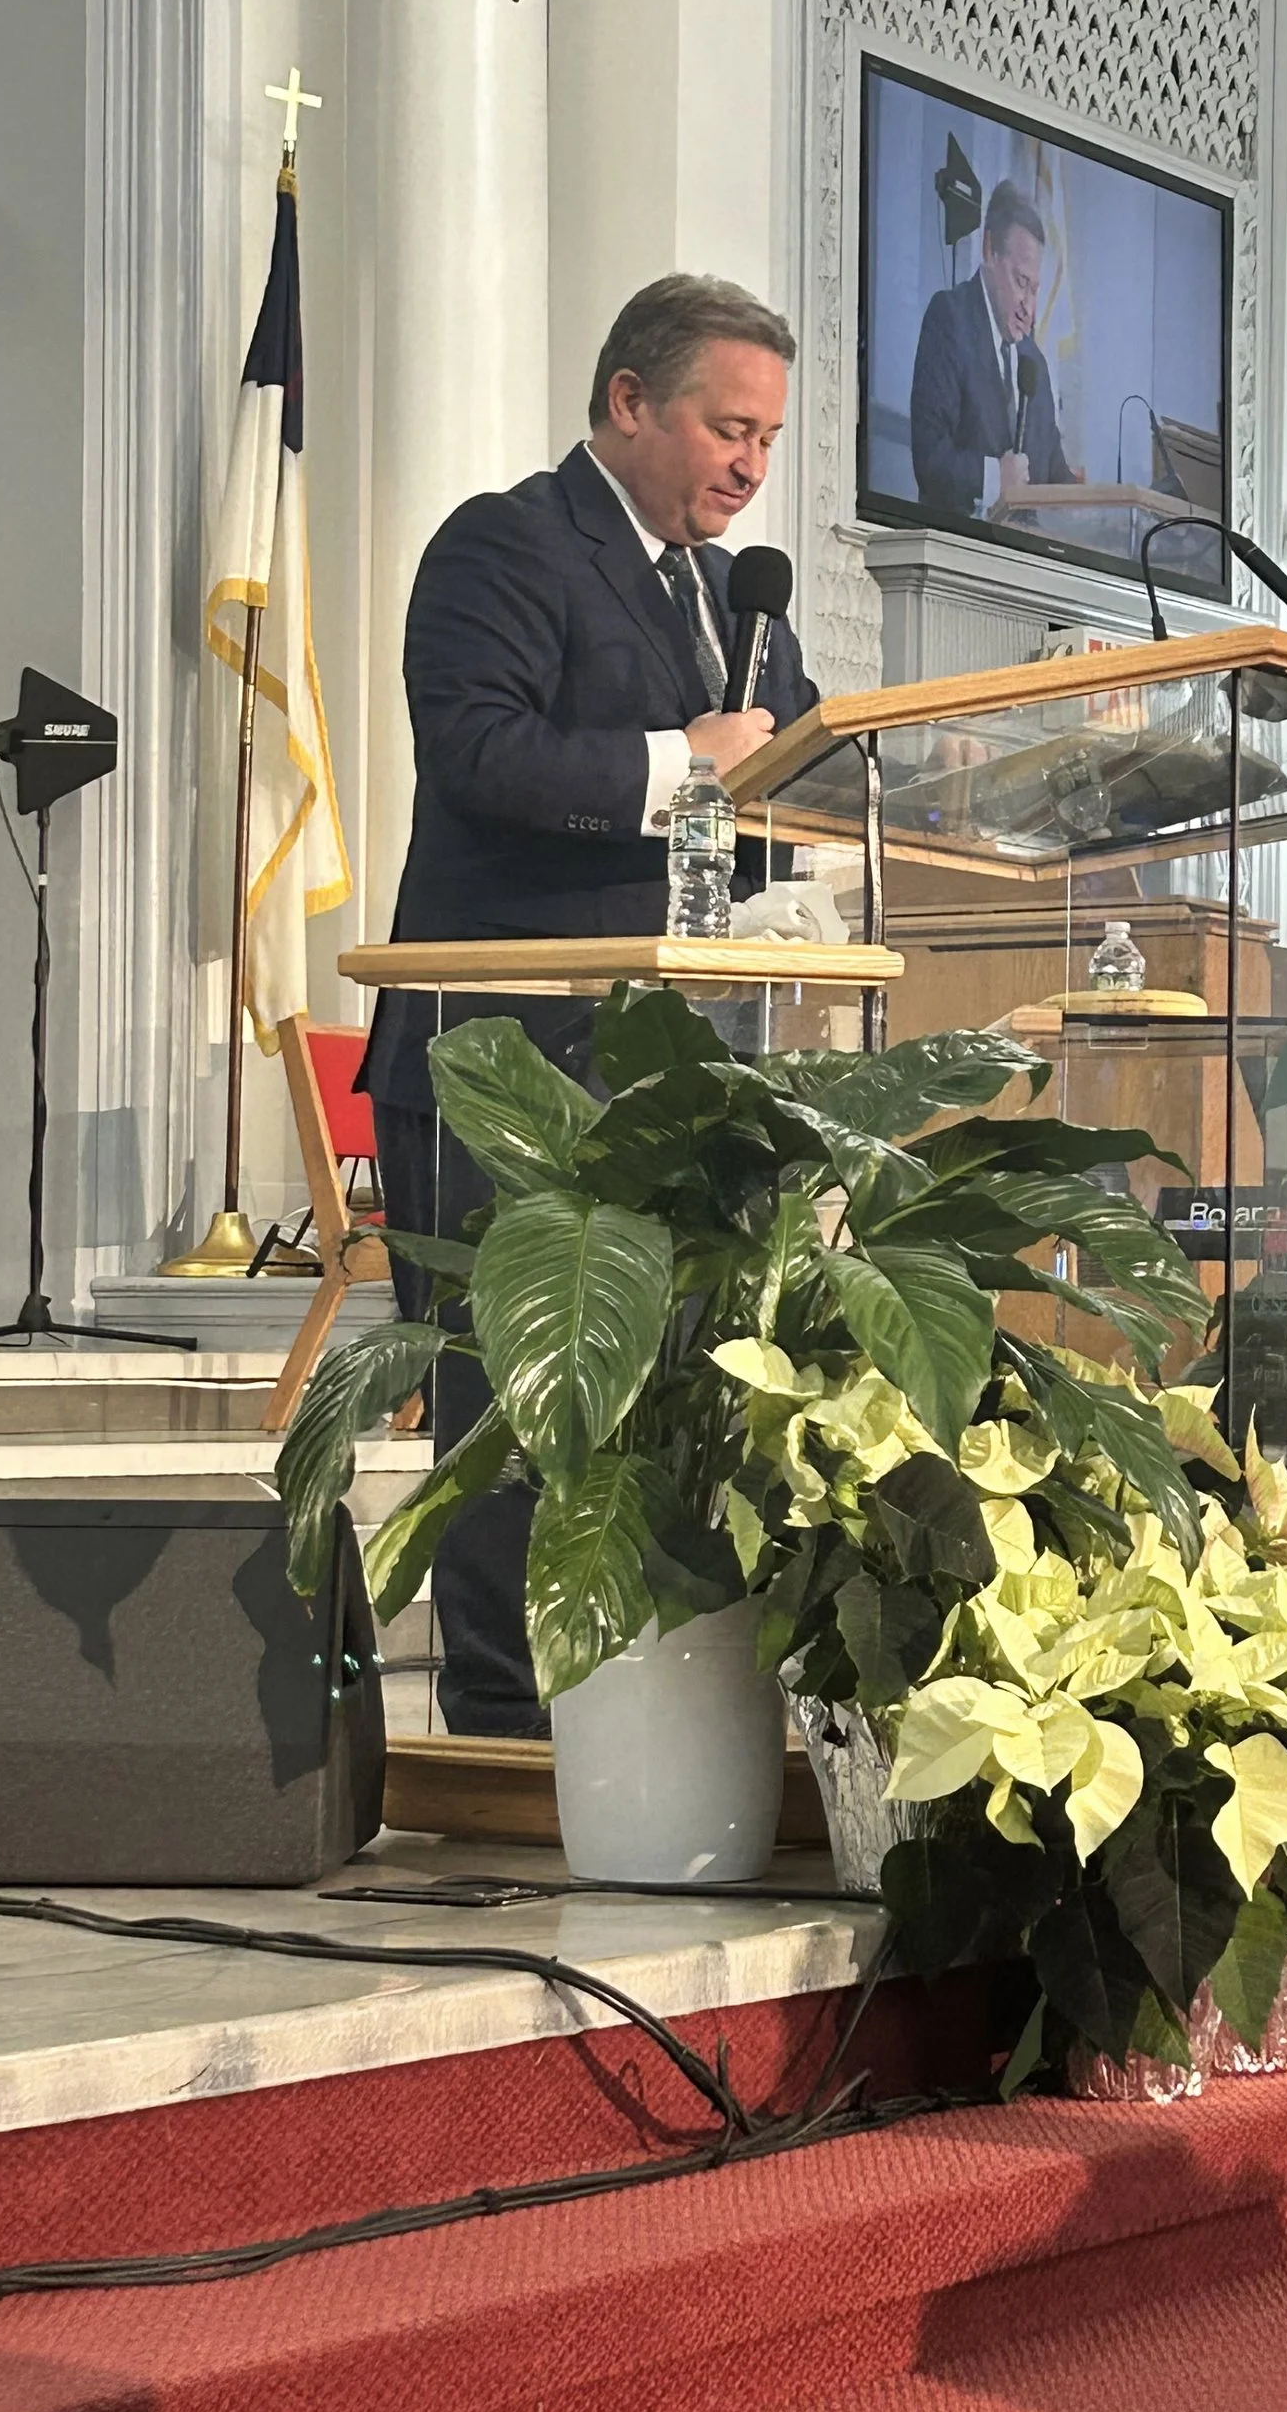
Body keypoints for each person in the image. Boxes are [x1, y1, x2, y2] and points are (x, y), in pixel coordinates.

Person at [361, 273, 819, 1738]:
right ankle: (508, 1720)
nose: (750, 465)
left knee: (658, 1396)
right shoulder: (505, 547)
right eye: (725, 427)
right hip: (500, 1049)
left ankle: (645, 1707)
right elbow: (483, 754)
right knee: (511, 1396)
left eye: (768, 437)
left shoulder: (735, 604)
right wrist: (685, 764)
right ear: (630, 402)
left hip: (675, 1062)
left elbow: (785, 779)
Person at [908, 180, 1079, 521]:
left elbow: (1055, 474)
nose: (1028, 308)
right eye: (1020, 282)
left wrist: (1096, 507)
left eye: (1035, 290)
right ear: (989, 251)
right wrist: (994, 479)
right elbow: (929, 458)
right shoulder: (950, 318)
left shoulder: (1035, 364)